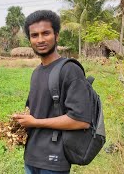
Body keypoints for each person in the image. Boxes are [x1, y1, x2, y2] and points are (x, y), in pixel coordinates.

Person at [13, 10, 91, 174]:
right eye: (34, 35)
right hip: (31, 157)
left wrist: (35, 122)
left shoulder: (70, 70)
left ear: (57, 35)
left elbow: (81, 120)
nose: (40, 39)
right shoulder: (36, 72)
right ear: (29, 40)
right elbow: (35, 111)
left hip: (54, 160)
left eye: (46, 33)